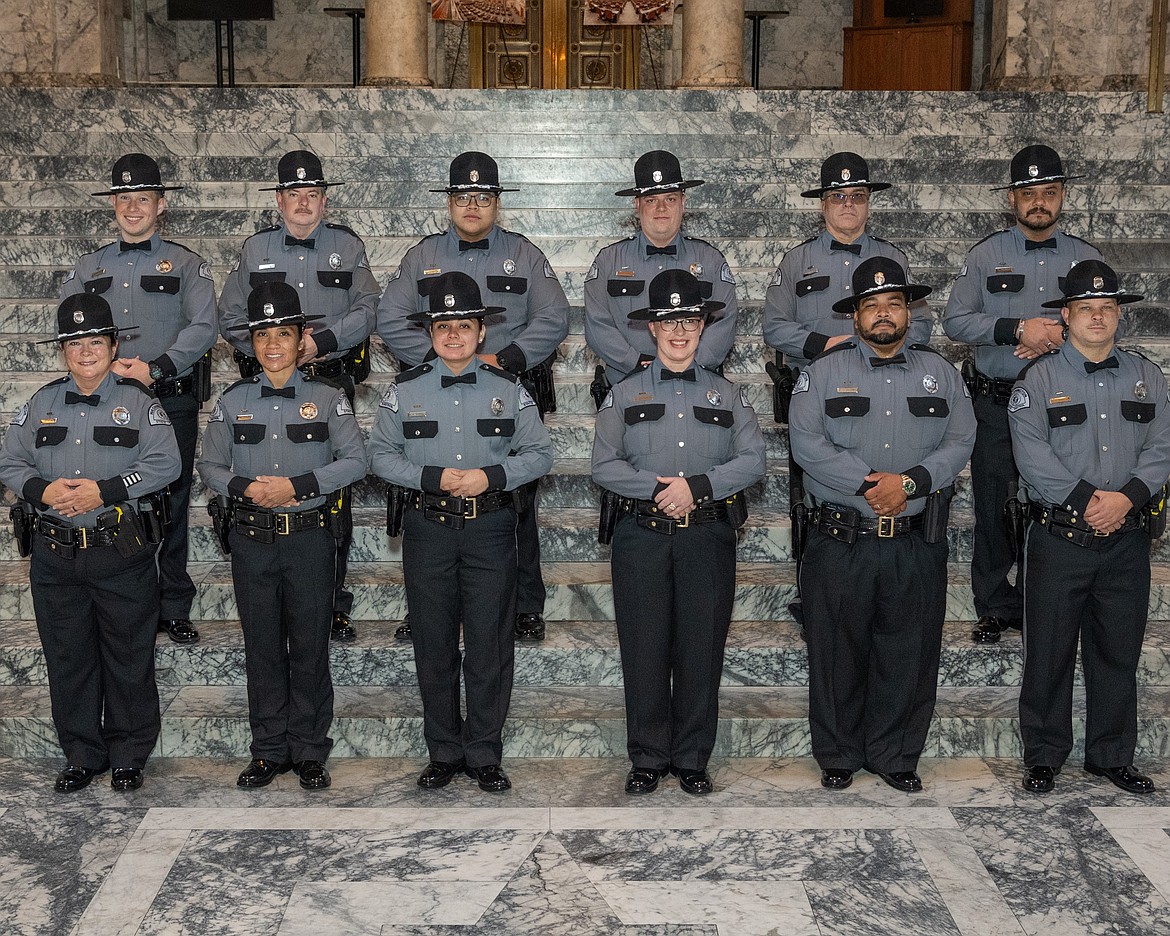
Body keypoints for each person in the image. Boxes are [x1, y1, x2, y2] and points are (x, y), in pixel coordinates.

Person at [789, 256, 975, 793]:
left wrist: (911, 483)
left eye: (895, 303)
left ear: (910, 313)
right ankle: (839, 753)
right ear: (855, 317)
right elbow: (807, 444)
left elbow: (960, 440)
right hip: (840, 538)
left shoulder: (940, 373)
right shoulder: (820, 375)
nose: (885, 314)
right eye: (873, 305)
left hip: (914, 541)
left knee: (909, 650)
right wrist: (874, 483)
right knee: (835, 650)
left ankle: (896, 754)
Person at [368, 271, 553, 793]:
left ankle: (485, 753)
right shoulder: (403, 392)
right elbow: (378, 455)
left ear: (481, 332)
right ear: (430, 333)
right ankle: (444, 752)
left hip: (491, 528)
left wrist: (490, 477)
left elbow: (541, 454)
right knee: (434, 644)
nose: (453, 335)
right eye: (443, 326)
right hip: (427, 528)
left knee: (491, 645)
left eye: (464, 325)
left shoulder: (507, 390)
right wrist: (431, 477)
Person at [376, 151, 568, 643]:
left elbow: (554, 317)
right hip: (435, 396)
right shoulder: (423, 257)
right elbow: (392, 316)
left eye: (483, 197)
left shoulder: (524, 254)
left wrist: (504, 360)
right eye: (464, 197)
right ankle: (425, 609)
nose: (473, 206)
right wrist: (444, 359)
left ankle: (523, 605)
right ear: (450, 203)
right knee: (427, 510)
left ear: (497, 203)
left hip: (505, 394)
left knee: (514, 504)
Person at [591, 269, 765, 796]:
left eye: (688, 320)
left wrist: (700, 486)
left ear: (703, 324)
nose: (679, 331)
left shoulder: (727, 395)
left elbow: (753, 460)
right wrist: (656, 488)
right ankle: (647, 757)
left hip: (706, 535)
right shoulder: (622, 393)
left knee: (700, 648)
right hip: (641, 536)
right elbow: (603, 465)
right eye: (669, 321)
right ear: (652, 328)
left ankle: (691, 757)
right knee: (643, 649)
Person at [0, 294, 181, 792]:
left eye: (95, 341)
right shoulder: (41, 403)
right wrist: (44, 491)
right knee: (68, 656)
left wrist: (105, 490)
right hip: (55, 553)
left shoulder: (141, 403)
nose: (85, 351)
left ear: (114, 345)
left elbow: (167, 464)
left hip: (120, 549)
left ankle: (128, 753)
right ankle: (82, 753)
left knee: (127, 655)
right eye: (75, 342)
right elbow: (10, 462)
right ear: (63, 349)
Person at [1008, 259, 1170, 796]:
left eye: (1107, 308)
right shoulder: (1038, 378)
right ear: (1067, 316)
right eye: (1086, 309)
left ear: (1118, 316)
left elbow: (1162, 448)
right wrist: (1087, 501)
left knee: (1117, 653)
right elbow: (1031, 455)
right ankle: (1045, 755)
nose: (1097, 318)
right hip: (1059, 538)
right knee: (1049, 652)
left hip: (1126, 540)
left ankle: (1110, 755)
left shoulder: (1148, 377)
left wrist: (1126, 499)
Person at [197, 281, 367, 791]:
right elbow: (208, 464)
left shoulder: (328, 399)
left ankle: (311, 750)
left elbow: (357, 461)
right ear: (250, 343)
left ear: (302, 338)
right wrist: (248, 488)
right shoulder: (233, 402)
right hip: (252, 539)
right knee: (263, 647)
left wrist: (298, 486)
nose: (273, 344)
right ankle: (269, 750)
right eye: (263, 334)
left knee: (311, 645)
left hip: (310, 539)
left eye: (284, 333)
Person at [761, 151, 931, 626]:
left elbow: (922, 327)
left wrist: (875, 342)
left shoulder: (893, 258)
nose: (848, 205)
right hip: (816, 395)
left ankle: (884, 583)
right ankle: (812, 589)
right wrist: (826, 343)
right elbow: (774, 327)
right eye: (838, 197)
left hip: (885, 394)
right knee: (809, 499)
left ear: (869, 203)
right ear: (823, 205)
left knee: (883, 481)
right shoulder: (797, 262)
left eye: (857, 196)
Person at [943, 145, 1103, 644]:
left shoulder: (1087, 258)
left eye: (1049, 193)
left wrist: (1060, 335)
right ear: (1012, 199)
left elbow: (1105, 323)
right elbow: (956, 321)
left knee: (1055, 503)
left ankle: (1048, 604)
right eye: (1029, 194)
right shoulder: (986, 256)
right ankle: (993, 603)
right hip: (996, 403)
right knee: (996, 504)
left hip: (1065, 410)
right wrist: (1017, 329)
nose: (1039, 202)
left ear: (1062, 197)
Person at [218, 149, 379, 643]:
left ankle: (332, 603)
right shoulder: (255, 251)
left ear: (324, 200)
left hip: (330, 380)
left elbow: (369, 307)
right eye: (294, 194)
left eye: (312, 194)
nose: (303, 203)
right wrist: (274, 354)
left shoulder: (347, 249)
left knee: (333, 496)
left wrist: (318, 343)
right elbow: (228, 317)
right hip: (267, 387)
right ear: (279, 200)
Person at [60, 152, 217, 646]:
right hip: (103, 402)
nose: (133, 207)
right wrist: (102, 368)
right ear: (113, 205)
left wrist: (157, 368)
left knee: (168, 501)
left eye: (142, 198)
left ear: (160, 204)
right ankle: (130, 604)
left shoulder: (187, 264)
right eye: (124, 198)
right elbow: (68, 326)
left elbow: (204, 326)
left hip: (168, 399)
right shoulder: (89, 266)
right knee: (118, 496)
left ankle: (173, 604)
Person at [584, 149, 738, 385]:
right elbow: (597, 326)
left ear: (683, 202)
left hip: (698, 384)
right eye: (651, 200)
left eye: (670, 199)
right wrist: (636, 363)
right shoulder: (608, 262)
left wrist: (687, 365)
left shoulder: (711, 261)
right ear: (637, 205)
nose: (661, 208)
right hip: (629, 385)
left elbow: (724, 321)